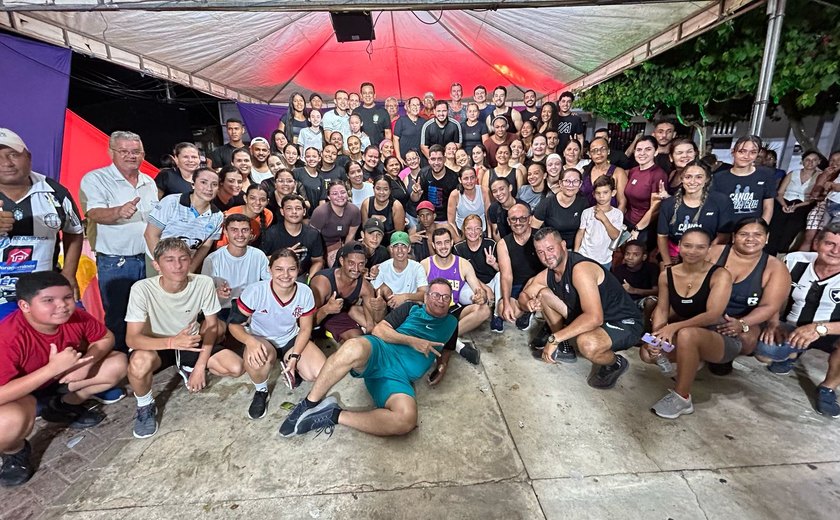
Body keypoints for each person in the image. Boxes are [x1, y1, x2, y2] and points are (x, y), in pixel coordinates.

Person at [278, 278, 458, 438]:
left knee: (406, 420)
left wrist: (441, 367)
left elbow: (448, 349)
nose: (440, 300)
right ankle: (308, 404)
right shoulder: (411, 308)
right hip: (382, 352)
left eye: (445, 297)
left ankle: (333, 415)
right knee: (353, 347)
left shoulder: (452, 323)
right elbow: (379, 330)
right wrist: (413, 341)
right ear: (426, 297)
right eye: (435, 295)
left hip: (397, 379)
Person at [0, 272, 126, 487]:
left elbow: (106, 337)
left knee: (118, 363)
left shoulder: (76, 315)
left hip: (61, 381)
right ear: (25, 305)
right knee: (7, 423)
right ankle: (15, 451)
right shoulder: (7, 336)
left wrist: (86, 362)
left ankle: (62, 406)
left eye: (67, 297)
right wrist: (51, 369)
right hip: (22, 393)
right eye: (48, 300)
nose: (62, 306)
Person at [126, 238, 245, 438]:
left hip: (190, 342)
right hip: (156, 345)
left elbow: (212, 326)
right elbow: (132, 339)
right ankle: (145, 406)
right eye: (169, 260)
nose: (178, 265)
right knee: (138, 363)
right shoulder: (141, 289)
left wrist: (200, 367)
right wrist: (171, 342)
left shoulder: (203, 283)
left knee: (235, 367)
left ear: (190, 261)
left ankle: (188, 367)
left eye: (183, 259)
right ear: (157, 265)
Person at [519, 227, 644, 388]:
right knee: (543, 294)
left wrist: (554, 338)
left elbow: (594, 318)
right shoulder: (548, 273)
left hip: (623, 322)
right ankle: (564, 349)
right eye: (540, 252)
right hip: (593, 318)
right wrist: (527, 304)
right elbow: (524, 294)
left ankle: (616, 363)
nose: (546, 256)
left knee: (587, 344)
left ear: (563, 245)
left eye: (550, 249)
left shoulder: (580, 269)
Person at [80, 131, 159, 354]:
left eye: (135, 152)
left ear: (143, 154)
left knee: (147, 312)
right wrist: (118, 211)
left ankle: (144, 359)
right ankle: (120, 363)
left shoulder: (148, 182)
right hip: (117, 261)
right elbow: (93, 213)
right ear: (111, 152)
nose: (130, 156)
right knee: (118, 314)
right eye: (124, 151)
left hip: (148, 257)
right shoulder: (95, 179)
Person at [641, 228, 733, 418]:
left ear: (709, 249)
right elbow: (662, 310)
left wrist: (672, 327)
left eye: (700, 247)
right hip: (685, 334)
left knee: (687, 334)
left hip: (720, 336)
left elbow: (713, 314)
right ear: (680, 247)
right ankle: (689, 363)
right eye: (688, 246)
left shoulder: (720, 274)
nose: (693, 251)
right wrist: (657, 336)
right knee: (647, 352)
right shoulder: (667, 275)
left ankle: (682, 398)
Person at [228, 249, 326, 419]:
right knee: (256, 359)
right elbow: (233, 325)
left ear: (298, 269)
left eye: (291, 269)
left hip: (290, 338)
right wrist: (250, 342)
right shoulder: (255, 291)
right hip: (263, 339)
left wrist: (295, 356)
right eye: (279, 269)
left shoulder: (304, 292)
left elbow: (305, 329)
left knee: (319, 372)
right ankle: (261, 391)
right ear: (270, 269)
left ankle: (290, 364)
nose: (286, 275)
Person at [754, 223, 840, 417]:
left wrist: (819, 329)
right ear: (816, 243)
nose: (836, 251)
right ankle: (793, 353)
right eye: (830, 244)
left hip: (832, 332)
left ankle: (828, 387)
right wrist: (773, 323)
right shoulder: (794, 260)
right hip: (792, 326)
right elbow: (775, 296)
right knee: (765, 351)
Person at [0, 129, 83, 320]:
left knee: (83, 337)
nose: (6, 163)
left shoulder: (54, 192)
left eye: (13, 154)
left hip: (45, 290)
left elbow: (74, 231)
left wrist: (68, 274)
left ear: (28, 157)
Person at [706, 218, 791, 374]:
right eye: (743, 234)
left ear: (767, 238)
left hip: (746, 318)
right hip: (706, 312)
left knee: (748, 340)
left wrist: (742, 323)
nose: (750, 239)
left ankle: (724, 356)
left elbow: (769, 306)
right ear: (733, 237)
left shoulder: (775, 267)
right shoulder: (713, 252)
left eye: (757, 234)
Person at [421, 228, 489, 364]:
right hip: (432, 313)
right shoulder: (425, 265)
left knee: (485, 310)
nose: (443, 246)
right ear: (433, 245)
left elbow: (479, 290)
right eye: (439, 243)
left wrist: (481, 296)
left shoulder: (463, 264)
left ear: (452, 242)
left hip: (453, 309)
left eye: (446, 242)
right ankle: (457, 345)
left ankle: (443, 338)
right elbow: (420, 296)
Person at [201, 214, 270, 339]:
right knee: (210, 331)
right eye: (234, 230)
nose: (240, 235)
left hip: (248, 308)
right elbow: (202, 294)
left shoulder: (259, 256)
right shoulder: (212, 259)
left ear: (251, 233)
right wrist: (216, 293)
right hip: (221, 309)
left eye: (244, 230)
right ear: (226, 233)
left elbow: (269, 284)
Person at [144, 167, 223, 273]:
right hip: (158, 262)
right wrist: (162, 265)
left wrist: (191, 269)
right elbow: (150, 234)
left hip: (185, 264)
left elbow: (205, 246)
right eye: (203, 182)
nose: (209, 188)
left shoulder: (217, 216)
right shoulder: (171, 202)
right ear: (193, 184)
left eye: (214, 184)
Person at [657, 161, 733, 264]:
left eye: (698, 177)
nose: (692, 181)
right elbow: (662, 236)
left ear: (706, 179)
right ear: (682, 179)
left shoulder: (720, 201)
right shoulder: (668, 204)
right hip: (676, 257)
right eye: (688, 177)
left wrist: (704, 257)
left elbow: (723, 236)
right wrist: (668, 264)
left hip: (709, 257)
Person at [309, 241, 386, 343]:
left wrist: (381, 308)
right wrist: (326, 309)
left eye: (361, 264)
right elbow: (307, 323)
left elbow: (373, 321)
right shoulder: (322, 282)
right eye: (351, 263)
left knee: (358, 342)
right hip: (317, 319)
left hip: (339, 317)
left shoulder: (365, 287)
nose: (356, 269)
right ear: (342, 261)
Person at [496, 203, 544, 330]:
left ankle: (529, 307)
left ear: (530, 219)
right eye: (513, 219)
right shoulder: (503, 244)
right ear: (508, 221)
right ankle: (527, 309)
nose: (518, 222)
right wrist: (506, 303)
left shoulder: (540, 237)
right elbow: (506, 276)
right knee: (503, 310)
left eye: (522, 218)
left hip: (538, 284)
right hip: (517, 286)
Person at [766, 150, 822, 255]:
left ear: (819, 162)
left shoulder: (820, 176)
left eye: (814, 160)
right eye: (807, 160)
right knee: (776, 221)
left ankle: (782, 251)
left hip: (803, 203)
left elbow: (814, 198)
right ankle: (769, 251)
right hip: (785, 201)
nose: (810, 162)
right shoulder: (793, 173)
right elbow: (780, 192)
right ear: (802, 161)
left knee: (793, 224)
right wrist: (784, 205)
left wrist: (796, 206)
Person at [260, 194, 325, 283]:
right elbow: (261, 260)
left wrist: (309, 279)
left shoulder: (313, 234)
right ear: (282, 211)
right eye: (289, 208)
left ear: (304, 211)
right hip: (275, 277)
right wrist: (284, 255)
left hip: (301, 276)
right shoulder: (271, 233)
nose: (294, 212)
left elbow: (318, 261)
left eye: (298, 208)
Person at [710, 135, 775, 224]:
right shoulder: (718, 177)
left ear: (758, 153)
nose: (746, 156)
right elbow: (714, 208)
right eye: (742, 151)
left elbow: (768, 207)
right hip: (724, 229)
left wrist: (761, 229)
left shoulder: (766, 174)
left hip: (753, 230)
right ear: (733, 151)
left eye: (753, 152)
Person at [455, 214, 503, 331]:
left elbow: (503, 271)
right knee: (465, 292)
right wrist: (485, 289)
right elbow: (465, 276)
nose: (473, 232)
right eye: (469, 229)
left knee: (501, 276)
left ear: (482, 230)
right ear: (464, 230)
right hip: (472, 285)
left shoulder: (491, 244)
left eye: (477, 228)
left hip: (492, 283)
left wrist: (493, 264)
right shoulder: (458, 248)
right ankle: (478, 308)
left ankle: (497, 315)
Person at [624, 135, 669, 245]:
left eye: (648, 149)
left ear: (656, 152)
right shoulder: (633, 171)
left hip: (645, 228)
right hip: (628, 222)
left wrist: (638, 229)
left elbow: (655, 208)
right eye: (639, 150)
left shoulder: (658, 174)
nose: (642, 153)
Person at [575, 175, 623, 270]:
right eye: (598, 193)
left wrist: (604, 218)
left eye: (605, 192)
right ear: (593, 194)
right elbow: (581, 232)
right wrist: (576, 252)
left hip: (604, 260)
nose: (601, 196)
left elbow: (615, 236)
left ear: (613, 193)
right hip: (585, 256)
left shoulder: (617, 214)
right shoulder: (587, 212)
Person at [532, 168, 588, 249]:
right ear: (560, 183)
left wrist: (576, 252)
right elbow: (534, 229)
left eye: (575, 181)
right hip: (552, 249)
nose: (571, 185)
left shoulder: (583, 203)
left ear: (580, 184)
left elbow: (585, 230)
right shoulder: (547, 203)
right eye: (567, 181)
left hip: (577, 248)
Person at [310, 181, 361, 266]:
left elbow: (351, 236)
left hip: (342, 244)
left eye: (343, 192)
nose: (340, 196)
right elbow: (312, 238)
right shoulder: (320, 212)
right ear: (328, 197)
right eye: (335, 193)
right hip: (322, 246)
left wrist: (344, 253)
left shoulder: (354, 211)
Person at [372, 231, 428, 309]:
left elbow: (424, 294)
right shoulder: (382, 268)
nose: (400, 250)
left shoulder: (417, 267)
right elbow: (376, 290)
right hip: (388, 308)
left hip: (410, 308)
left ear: (409, 249)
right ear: (391, 248)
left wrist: (404, 297)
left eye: (403, 246)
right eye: (396, 246)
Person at [612, 240, 659, 325]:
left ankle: (645, 326)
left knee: (652, 300)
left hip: (642, 302)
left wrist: (634, 290)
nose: (630, 257)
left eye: (635, 255)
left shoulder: (652, 269)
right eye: (627, 254)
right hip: (626, 303)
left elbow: (657, 291)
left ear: (644, 257)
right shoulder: (619, 270)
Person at [217, 184, 273, 250]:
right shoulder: (232, 214)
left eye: (262, 199)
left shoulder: (268, 215)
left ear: (267, 201)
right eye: (252, 198)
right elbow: (219, 247)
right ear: (245, 198)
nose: (258, 202)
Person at [413, 144, 460, 223]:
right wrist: (415, 193)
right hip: (427, 219)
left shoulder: (453, 177)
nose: (436, 162)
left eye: (439, 159)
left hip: (446, 219)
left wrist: (450, 223)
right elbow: (414, 199)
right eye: (433, 159)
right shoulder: (423, 174)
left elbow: (457, 203)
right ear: (429, 160)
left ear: (444, 159)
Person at [582, 137, 628, 211]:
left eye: (602, 149)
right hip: (586, 218)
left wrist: (614, 222)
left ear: (608, 151)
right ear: (590, 154)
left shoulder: (618, 173)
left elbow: (622, 203)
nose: (599, 153)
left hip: (609, 219)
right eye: (594, 150)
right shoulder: (586, 171)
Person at [362, 175, 406, 243]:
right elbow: (365, 231)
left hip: (391, 245)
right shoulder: (366, 203)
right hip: (371, 244)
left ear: (390, 190)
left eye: (385, 189)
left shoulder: (396, 206)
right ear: (373, 189)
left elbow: (399, 235)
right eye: (378, 189)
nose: (381, 192)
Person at [448, 167, 489, 233]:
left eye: (472, 177)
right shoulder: (454, 195)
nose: (469, 181)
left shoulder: (484, 191)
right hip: (461, 232)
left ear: (476, 178)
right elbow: (451, 222)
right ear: (460, 180)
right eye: (466, 178)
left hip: (482, 231)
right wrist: (458, 239)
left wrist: (489, 236)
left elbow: (489, 217)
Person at [355, 82, 391, 146]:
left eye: (370, 93)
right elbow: (353, 132)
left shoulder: (383, 112)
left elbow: (387, 133)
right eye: (364, 93)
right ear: (361, 96)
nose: (367, 95)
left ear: (374, 95)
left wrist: (385, 148)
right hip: (362, 150)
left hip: (379, 151)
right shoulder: (356, 112)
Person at [393, 96, 425, 167]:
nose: (415, 107)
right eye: (413, 105)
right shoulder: (401, 120)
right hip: (405, 159)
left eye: (417, 105)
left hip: (420, 159)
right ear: (408, 107)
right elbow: (395, 139)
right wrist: (398, 157)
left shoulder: (423, 121)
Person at [294, 147, 325, 218]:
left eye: (314, 156)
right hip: (298, 215)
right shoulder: (297, 172)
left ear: (319, 158)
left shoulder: (321, 178)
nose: (311, 159)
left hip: (315, 216)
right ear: (304, 158)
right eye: (308, 156)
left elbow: (322, 200)